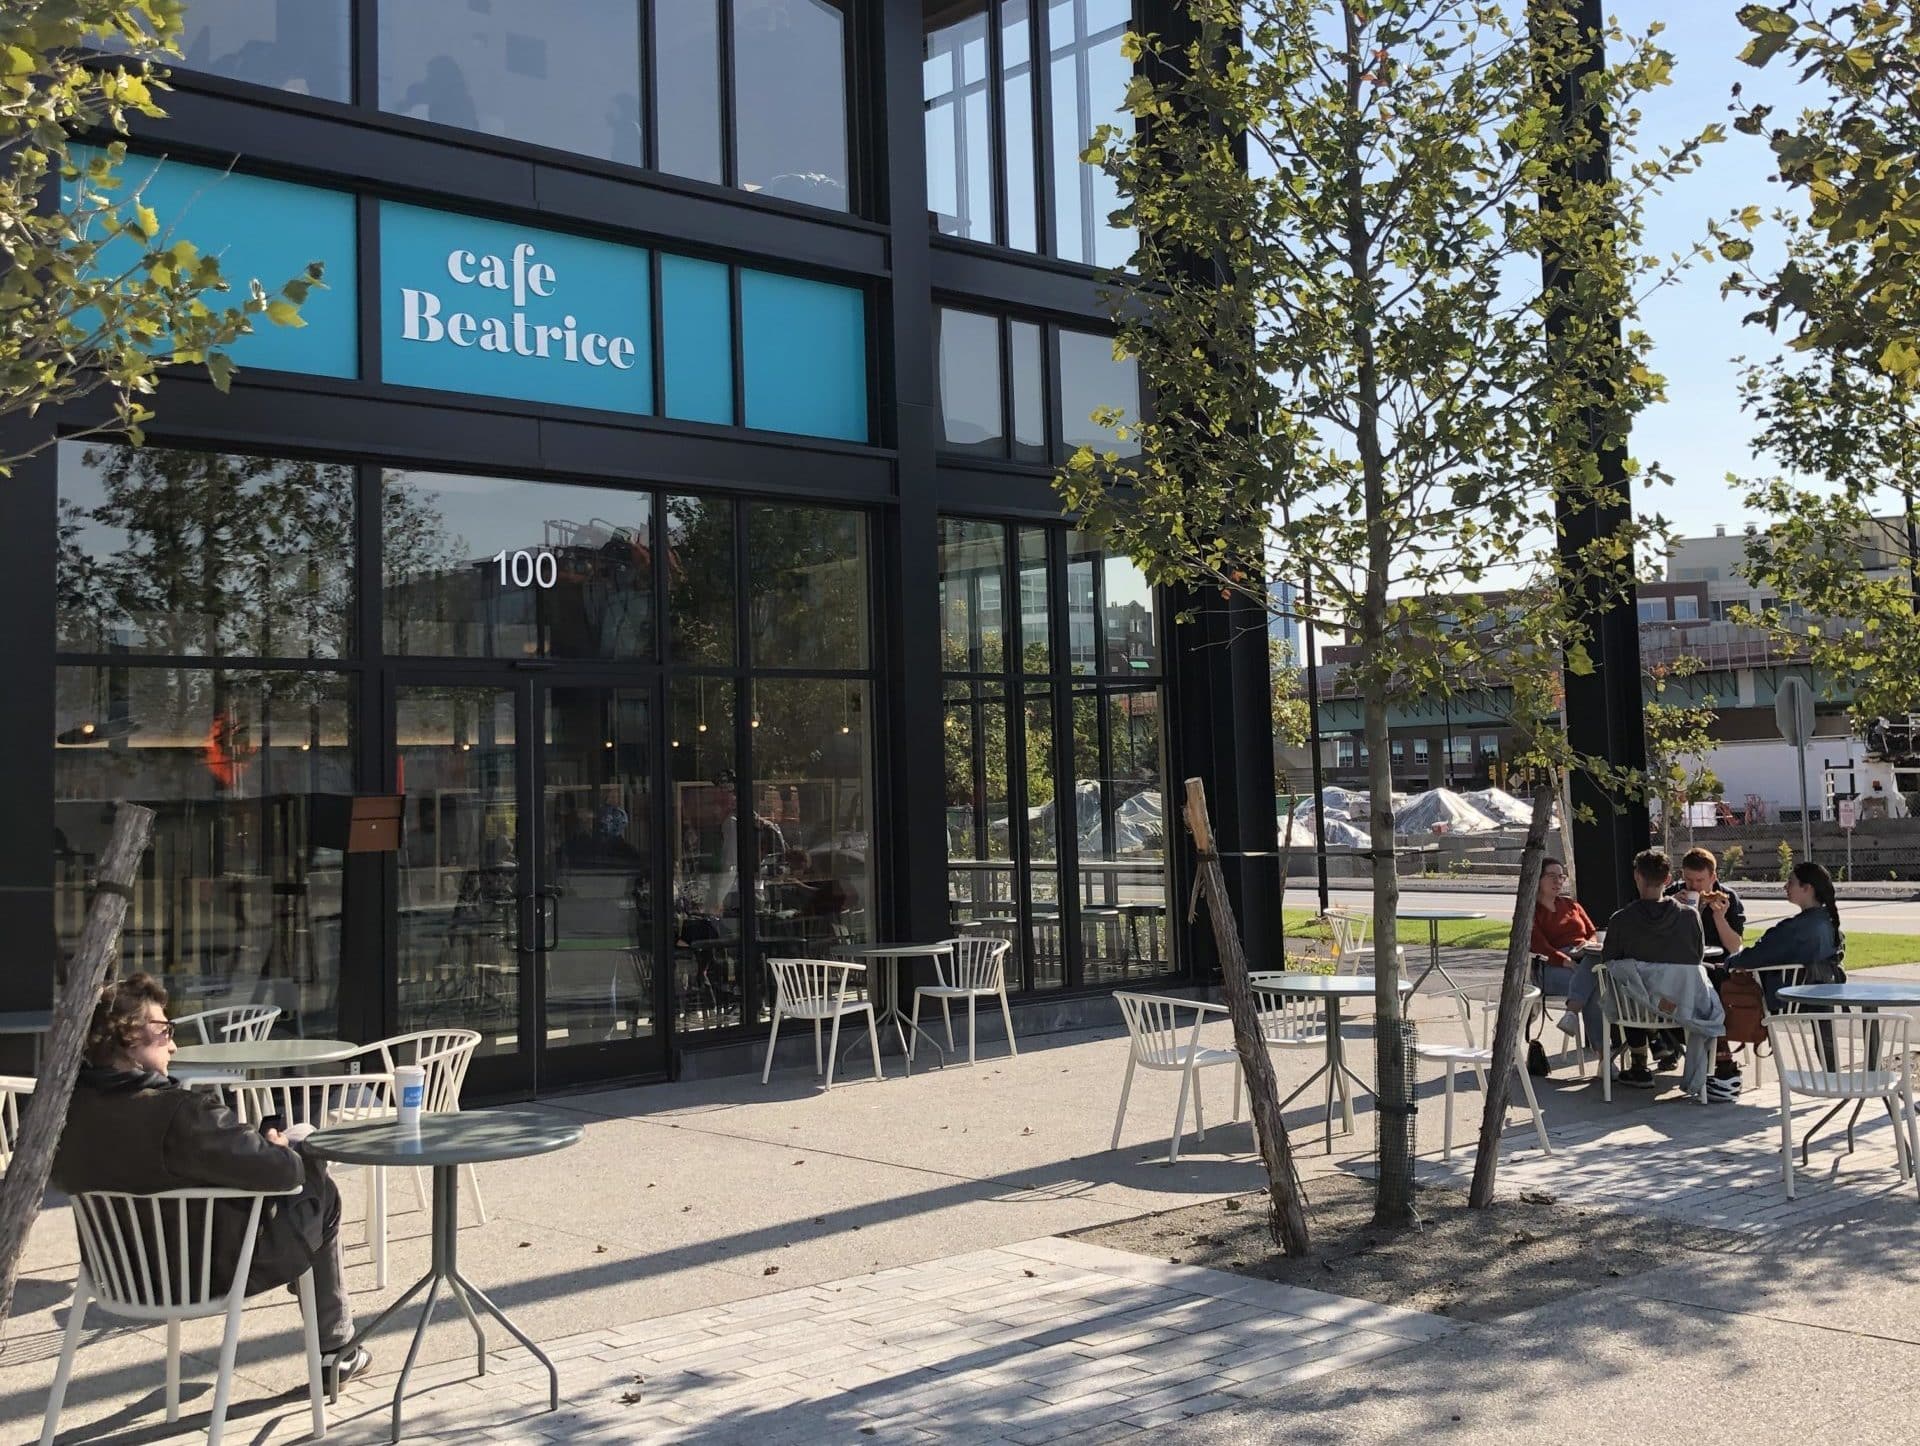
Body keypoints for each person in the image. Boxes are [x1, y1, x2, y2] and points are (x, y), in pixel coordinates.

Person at [50, 975, 372, 1383]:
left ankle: (335, 1347)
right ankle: (335, 1349)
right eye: (165, 1030)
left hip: (115, 1274)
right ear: (129, 1035)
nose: (173, 1044)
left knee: (293, 1157)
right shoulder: (181, 1113)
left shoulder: (69, 1114)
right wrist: (278, 1148)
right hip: (205, 1273)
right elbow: (283, 1174)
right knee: (316, 1183)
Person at [1716, 861, 1846, 1091]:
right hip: (1821, 991)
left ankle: (1720, 1060)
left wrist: (1729, 962)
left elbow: (1758, 955)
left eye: (1791, 882)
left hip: (1785, 998)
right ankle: (1832, 1073)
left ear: (1808, 888)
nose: (1785, 886)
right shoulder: (1827, 921)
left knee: (1715, 981)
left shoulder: (1798, 929)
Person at [1600, 848, 1706, 1087]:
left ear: (1637, 876)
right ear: (1668, 879)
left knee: (1628, 982)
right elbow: (1696, 958)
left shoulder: (1620, 920)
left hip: (1635, 1009)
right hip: (1680, 1006)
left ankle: (1639, 1060)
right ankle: (1661, 1044)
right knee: (1644, 986)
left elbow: (1609, 963)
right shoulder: (1689, 917)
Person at [1530, 859, 1602, 1051]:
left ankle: (1571, 1015)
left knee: (1593, 978)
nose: (1558, 881)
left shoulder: (1571, 905)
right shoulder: (1532, 912)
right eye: (1552, 876)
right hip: (1551, 966)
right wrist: (1567, 962)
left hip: (1583, 957)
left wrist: (1590, 944)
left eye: (1561, 876)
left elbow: (1592, 932)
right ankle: (1604, 1054)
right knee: (1595, 984)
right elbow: (1541, 947)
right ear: (1538, 879)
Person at [1664, 845, 1747, 957]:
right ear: (1683, 874)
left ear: (1713, 877)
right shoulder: (1673, 894)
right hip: (1681, 963)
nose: (1694, 885)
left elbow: (1735, 948)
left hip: (1716, 964)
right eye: (1689, 879)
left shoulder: (1728, 897)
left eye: (1699, 880)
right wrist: (1669, 906)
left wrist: (1719, 918)